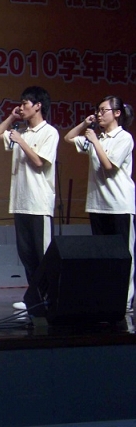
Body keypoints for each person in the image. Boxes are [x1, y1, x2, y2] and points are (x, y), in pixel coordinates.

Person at [64, 96, 135, 313]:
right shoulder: (98, 136)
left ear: (117, 113)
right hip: (97, 204)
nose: (99, 114)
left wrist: (95, 141)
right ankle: (106, 298)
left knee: (123, 255)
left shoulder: (124, 137)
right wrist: (85, 124)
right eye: (98, 110)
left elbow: (109, 166)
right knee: (103, 255)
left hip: (119, 205)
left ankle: (124, 300)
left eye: (104, 110)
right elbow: (68, 138)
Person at [0, 86, 59, 311]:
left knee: (43, 254)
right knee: (26, 254)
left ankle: (49, 297)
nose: (21, 107)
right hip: (20, 202)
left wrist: (21, 141)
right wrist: (12, 118)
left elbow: (39, 162)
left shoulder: (49, 132)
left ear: (38, 106)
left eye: (25, 104)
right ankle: (34, 296)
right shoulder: (22, 131)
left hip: (39, 203)